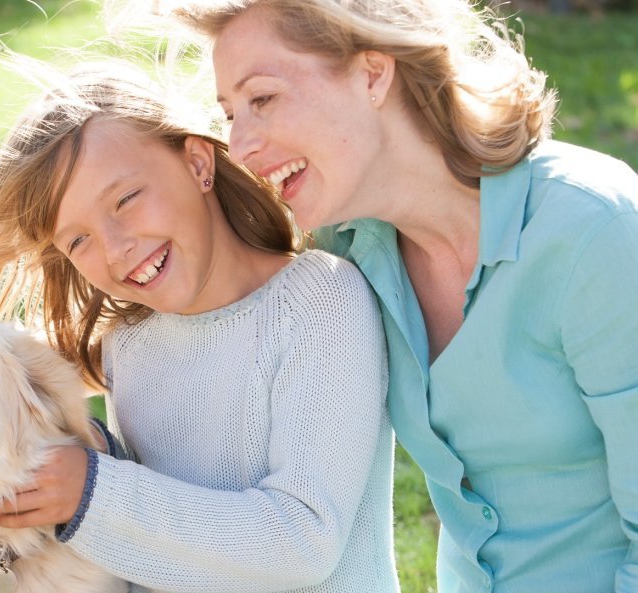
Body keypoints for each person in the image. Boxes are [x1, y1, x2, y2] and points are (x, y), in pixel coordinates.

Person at [166, 0, 638, 591]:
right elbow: (217, 320)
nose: (240, 145)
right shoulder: (346, 254)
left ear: (372, 73)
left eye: (262, 99)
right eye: (231, 113)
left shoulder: (593, 230)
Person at [0, 59, 399, 592]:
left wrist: (92, 493)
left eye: (125, 199)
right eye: (77, 240)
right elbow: (157, 535)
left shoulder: (321, 301)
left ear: (198, 163)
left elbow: (302, 543)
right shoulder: (131, 345)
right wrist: (93, 459)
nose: (115, 247)